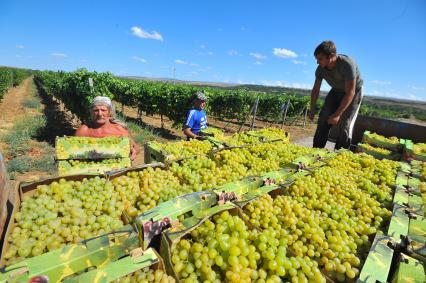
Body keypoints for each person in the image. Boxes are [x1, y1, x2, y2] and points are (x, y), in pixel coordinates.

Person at [309, 40, 363, 150]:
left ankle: (339, 154)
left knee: (345, 123)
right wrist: (312, 107)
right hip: (336, 89)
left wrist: (338, 114)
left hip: (354, 91)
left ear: (332, 56)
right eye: (316, 59)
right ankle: (316, 151)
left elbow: (350, 92)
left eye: (320, 59)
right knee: (324, 118)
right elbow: (315, 90)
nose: (317, 62)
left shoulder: (347, 64)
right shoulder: (320, 69)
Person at [75, 96, 140, 160]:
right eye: (96, 110)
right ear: (91, 112)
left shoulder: (119, 129)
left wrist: (134, 151)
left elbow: (135, 147)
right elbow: (73, 150)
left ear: (109, 112)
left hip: (116, 169)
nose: (100, 114)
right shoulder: (84, 130)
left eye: (103, 110)